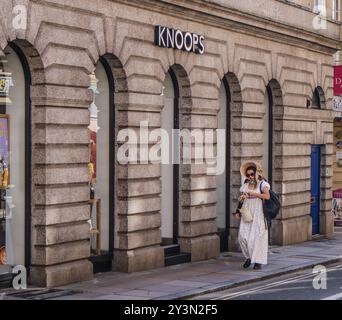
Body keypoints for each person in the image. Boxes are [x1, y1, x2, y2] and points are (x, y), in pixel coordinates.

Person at [234, 161, 270, 270]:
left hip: (259, 212)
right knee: (242, 237)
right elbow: (241, 201)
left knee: (256, 238)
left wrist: (253, 193)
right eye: (248, 174)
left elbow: (267, 196)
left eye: (252, 174)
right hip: (247, 212)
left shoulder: (263, 184)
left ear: (256, 173)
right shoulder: (245, 186)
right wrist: (237, 211)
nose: (250, 176)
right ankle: (248, 257)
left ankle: (258, 261)